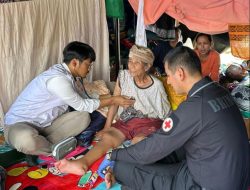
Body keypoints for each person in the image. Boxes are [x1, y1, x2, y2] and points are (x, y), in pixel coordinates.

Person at [104, 46, 249, 190]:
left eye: (168, 74)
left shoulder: (194, 106)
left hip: (205, 183)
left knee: (124, 167)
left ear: (180, 73)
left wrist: (114, 154)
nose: (168, 81)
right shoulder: (219, 91)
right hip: (229, 175)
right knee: (154, 151)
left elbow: (152, 150)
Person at [4, 41, 135, 158]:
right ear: (74, 62)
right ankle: (49, 149)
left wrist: (113, 96)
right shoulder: (58, 79)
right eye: (88, 65)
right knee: (27, 140)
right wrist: (113, 100)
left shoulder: (71, 76)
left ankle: (43, 148)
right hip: (19, 125)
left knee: (83, 117)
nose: (89, 69)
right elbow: (82, 104)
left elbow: (86, 98)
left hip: (47, 126)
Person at [54, 44, 171, 175]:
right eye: (130, 61)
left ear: (147, 66)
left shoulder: (157, 86)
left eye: (136, 62)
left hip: (148, 122)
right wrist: (107, 127)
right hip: (126, 121)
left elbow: (165, 115)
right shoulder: (124, 76)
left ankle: (119, 170)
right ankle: (82, 163)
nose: (131, 65)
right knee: (108, 138)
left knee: (139, 141)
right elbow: (115, 102)